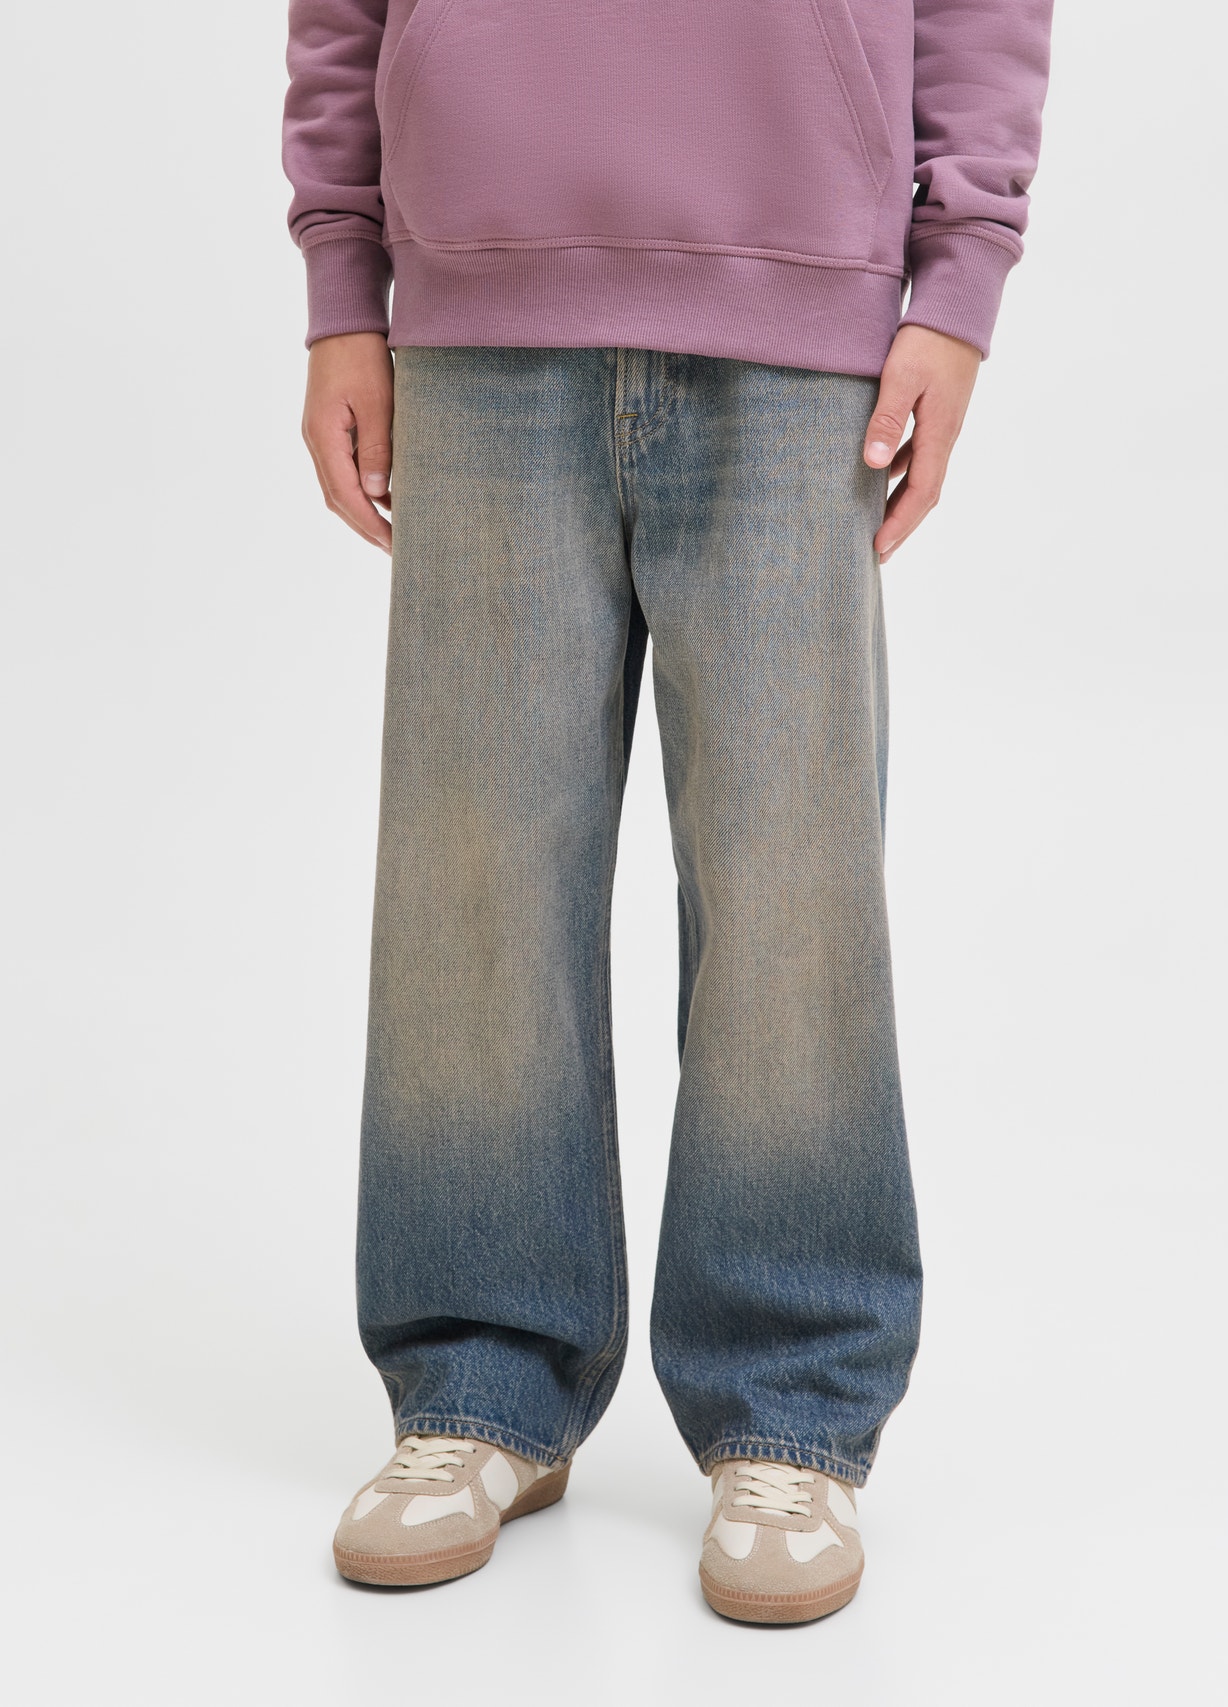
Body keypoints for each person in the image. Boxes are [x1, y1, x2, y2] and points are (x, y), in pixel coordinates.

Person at [282, 0, 1053, 1625]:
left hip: (803, 306)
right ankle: (477, 1377)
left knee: (791, 892)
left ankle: (792, 1404)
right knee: (473, 885)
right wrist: (341, 285)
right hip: (477, 297)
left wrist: (962, 277)